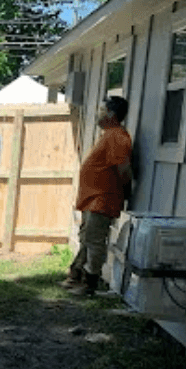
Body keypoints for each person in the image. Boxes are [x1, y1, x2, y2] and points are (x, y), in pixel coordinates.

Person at [59, 96, 132, 296]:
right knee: (86, 238)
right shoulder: (108, 135)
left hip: (103, 198)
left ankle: (90, 283)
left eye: (102, 110)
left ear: (111, 114)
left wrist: (126, 191)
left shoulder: (117, 136)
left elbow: (124, 169)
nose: (98, 114)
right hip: (92, 198)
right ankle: (76, 276)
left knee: (94, 241)